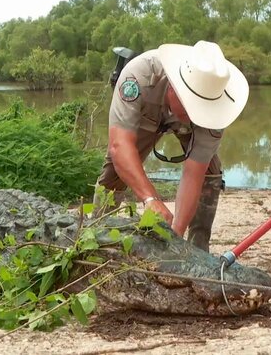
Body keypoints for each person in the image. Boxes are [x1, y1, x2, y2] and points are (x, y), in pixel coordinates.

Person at [92, 40, 249, 252]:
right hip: (146, 112)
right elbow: (120, 145)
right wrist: (150, 199)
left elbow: (194, 173)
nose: (195, 115)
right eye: (192, 107)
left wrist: (175, 237)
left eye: (202, 109)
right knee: (116, 169)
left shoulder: (216, 108)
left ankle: (196, 249)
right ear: (174, 88)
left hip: (183, 125)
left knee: (210, 173)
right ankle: (95, 234)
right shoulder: (138, 76)